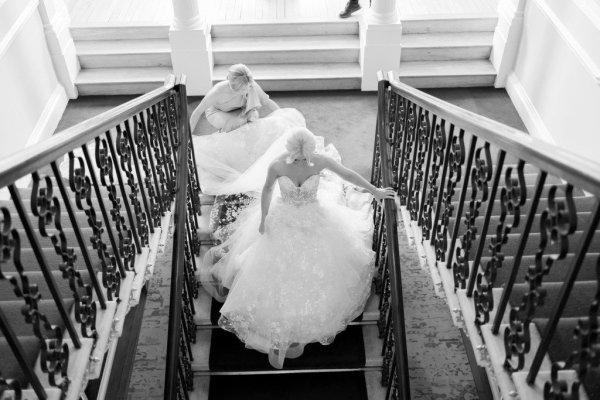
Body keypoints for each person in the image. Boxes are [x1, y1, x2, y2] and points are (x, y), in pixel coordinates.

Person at [200, 127, 395, 369]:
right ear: (290, 152)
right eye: (299, 157)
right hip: (284, 218)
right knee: (275, 267)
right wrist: (262, 219)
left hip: (315, 218)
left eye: (306, 157)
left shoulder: (320, 160)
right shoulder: (277, 165)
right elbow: (268, 190)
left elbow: (347, 174)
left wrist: (374, 191)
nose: (303, 161)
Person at [189, 64, 280, 133]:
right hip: (217, 112)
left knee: (254, 116)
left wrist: (284, 116)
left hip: (240, 110)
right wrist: (188, 137)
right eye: (243, 89)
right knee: (233, 124)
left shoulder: (250, 84)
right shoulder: (218, 91)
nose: (246, 91)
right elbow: (197, 112)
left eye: (247, 88)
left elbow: (266, 101)